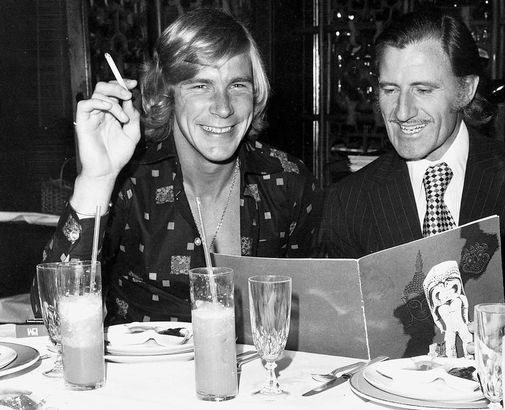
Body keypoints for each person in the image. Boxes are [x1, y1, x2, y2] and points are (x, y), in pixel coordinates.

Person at [321, 6, 505, 351]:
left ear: (465, 90)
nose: (402, 112)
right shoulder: (348, 200)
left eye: (423, 90)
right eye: (390, 90)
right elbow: (336, 337)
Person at [32, 8, 321, 325]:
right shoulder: (130, 182)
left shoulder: (287, 182)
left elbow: (317, 313)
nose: (223, 108)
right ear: (166, 94)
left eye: (238, 85)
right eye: (200, 86)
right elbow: (53, 315)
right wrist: (96, 178)